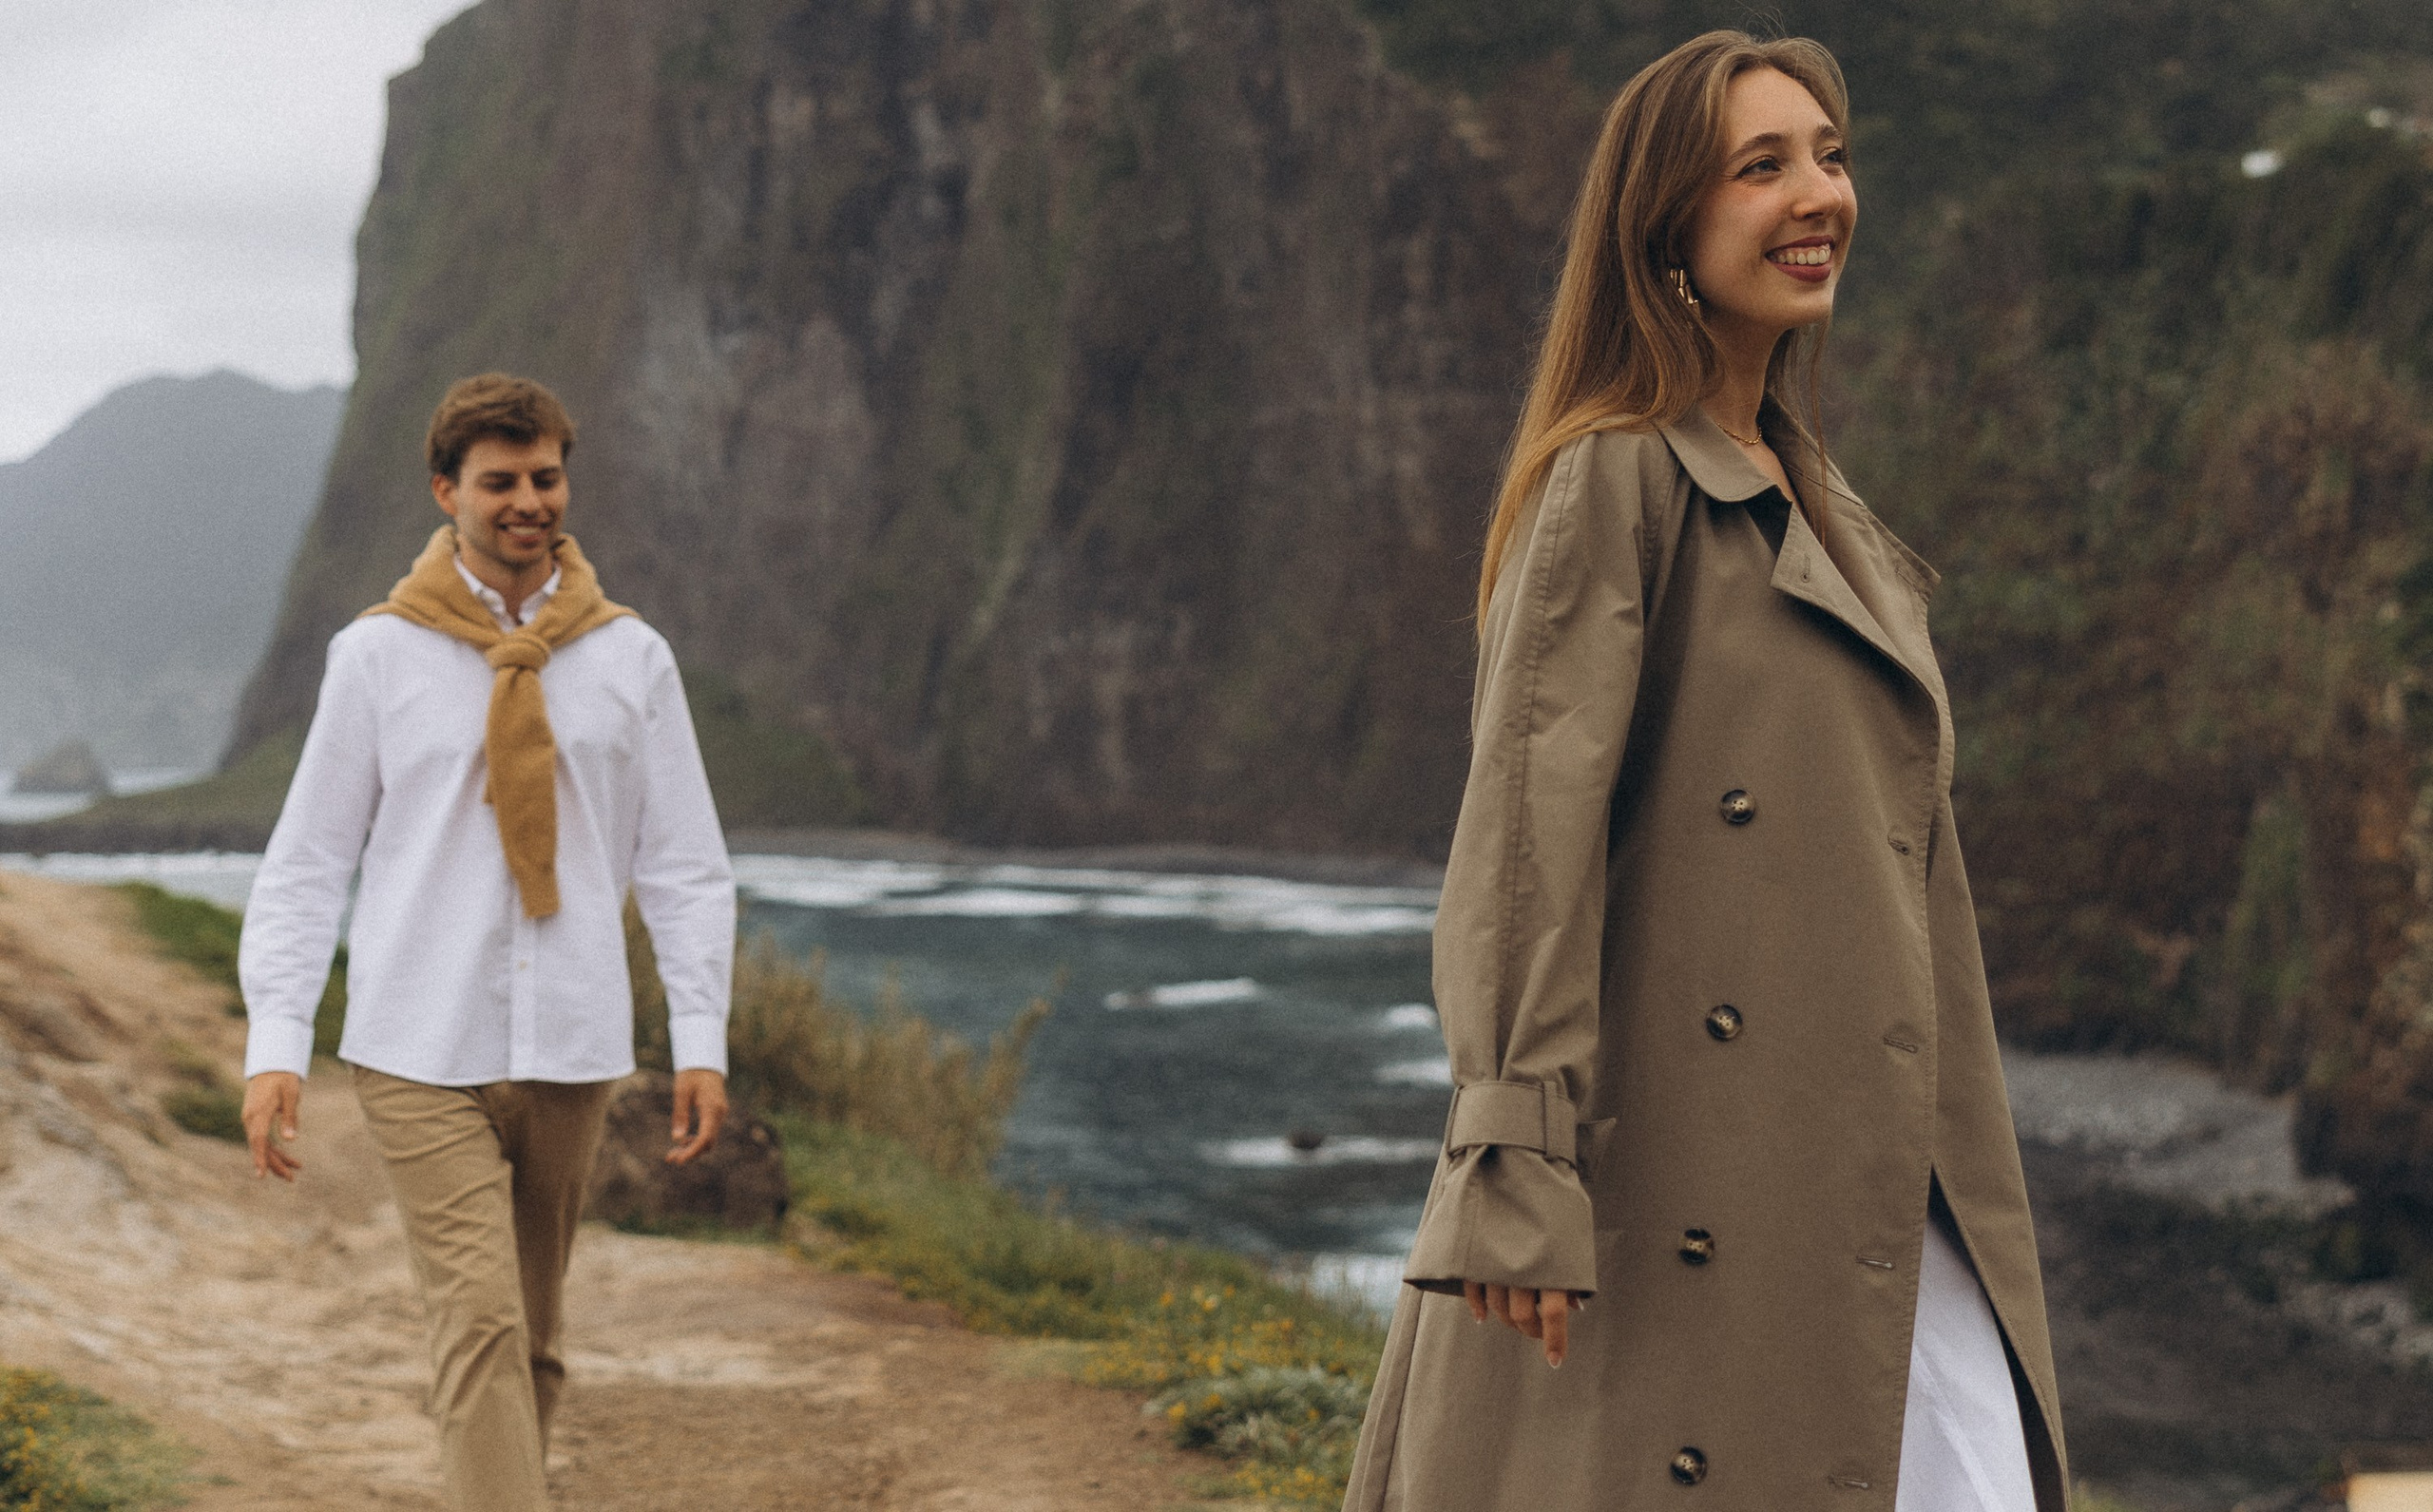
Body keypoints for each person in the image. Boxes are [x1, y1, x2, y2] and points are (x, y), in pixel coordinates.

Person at [1342, 31, 2067, 1512]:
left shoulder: (1832, 506)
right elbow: (1526, 844)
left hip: (1879, 1164)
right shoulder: (1616, 474)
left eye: (1833, 155)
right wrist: (1515, 1150)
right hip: (1685, 1175)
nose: (1821, 193)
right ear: (1666, 225)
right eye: (1763, 165)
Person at [237, 373, 737, 1512]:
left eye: (545, 478)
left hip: (572, 1042)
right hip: (418, 1043)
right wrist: (277, 1039)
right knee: (479, 1322)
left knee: (536, 1337)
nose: (527, 502)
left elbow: (684, 863)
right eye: (499, 482)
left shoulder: (630, 658)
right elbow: (310, 860)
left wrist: (700, 1034)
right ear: (445, 491)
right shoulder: (375, 656)